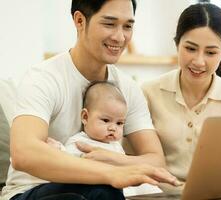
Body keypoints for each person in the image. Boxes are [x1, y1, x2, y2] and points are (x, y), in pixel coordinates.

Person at [1, 0, 178, 200]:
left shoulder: (127, 88)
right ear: (79, 21)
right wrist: (110, 173)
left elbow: (155, 162)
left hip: (99, 191)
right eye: (109, 24)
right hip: (32, 191)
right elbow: (25, 153)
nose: (120, 37)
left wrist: (110, 159)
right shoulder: (43, 78)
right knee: (101, 190)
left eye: (128, 26)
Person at [142, 2, 221, 182]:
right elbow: (134, 156)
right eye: (190, 49)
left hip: (215, 192)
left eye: (210, 53)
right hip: (158, 193)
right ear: (177, 44)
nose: (199, 61)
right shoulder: (148, 92)